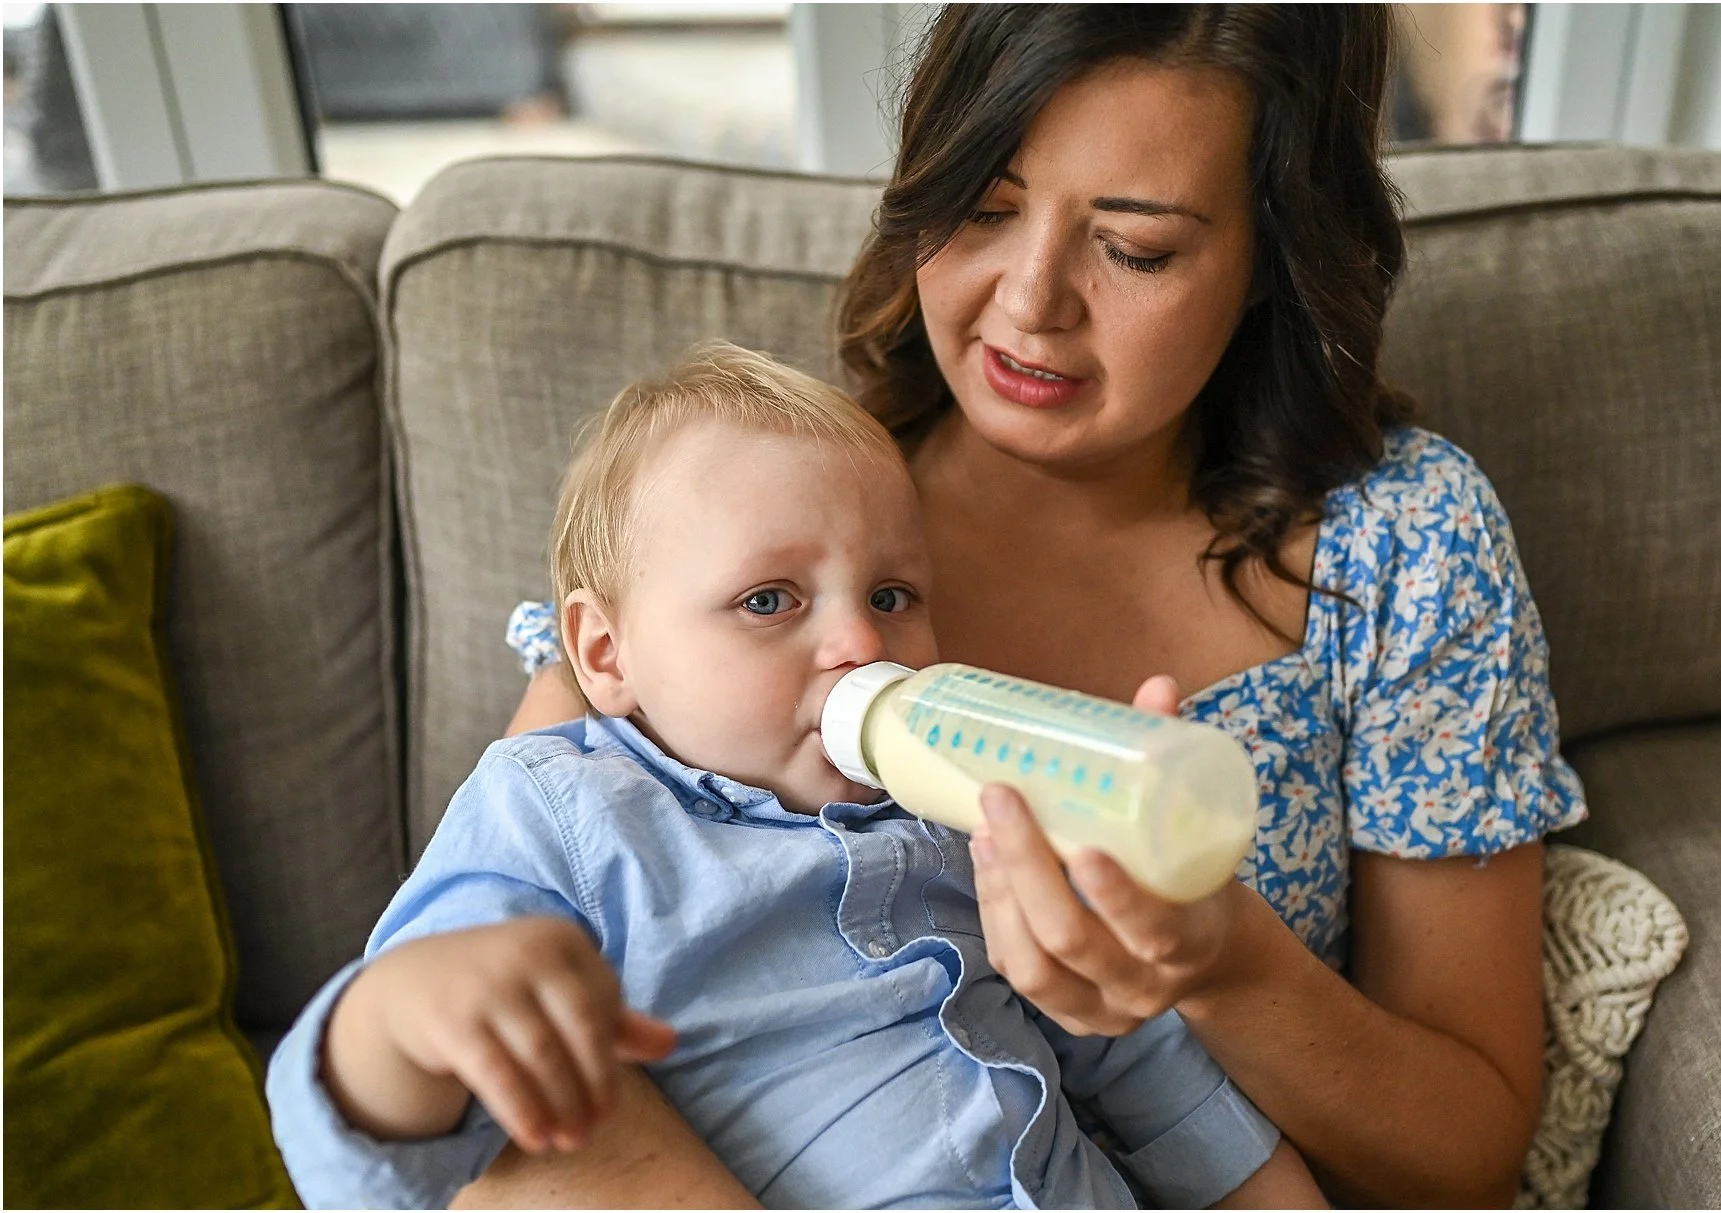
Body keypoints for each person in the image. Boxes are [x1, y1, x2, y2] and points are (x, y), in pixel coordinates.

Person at [476, 6, 1588, 1208]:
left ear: (1273, 253)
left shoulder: (1401, 545)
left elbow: (1465, 1155)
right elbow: (487, 1044)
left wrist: (1220, 967)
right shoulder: (754, 511)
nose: (1029, 301)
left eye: (1136, 247)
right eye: (984, 208)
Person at [265, 343, 1325, 1210]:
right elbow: (373, 1156)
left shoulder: (956, 814)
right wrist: (400, 1016)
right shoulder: (563, 807)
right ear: (604, 655)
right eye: (769, 600)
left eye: (894, 594)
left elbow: (1144, 1073)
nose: (859, 643)